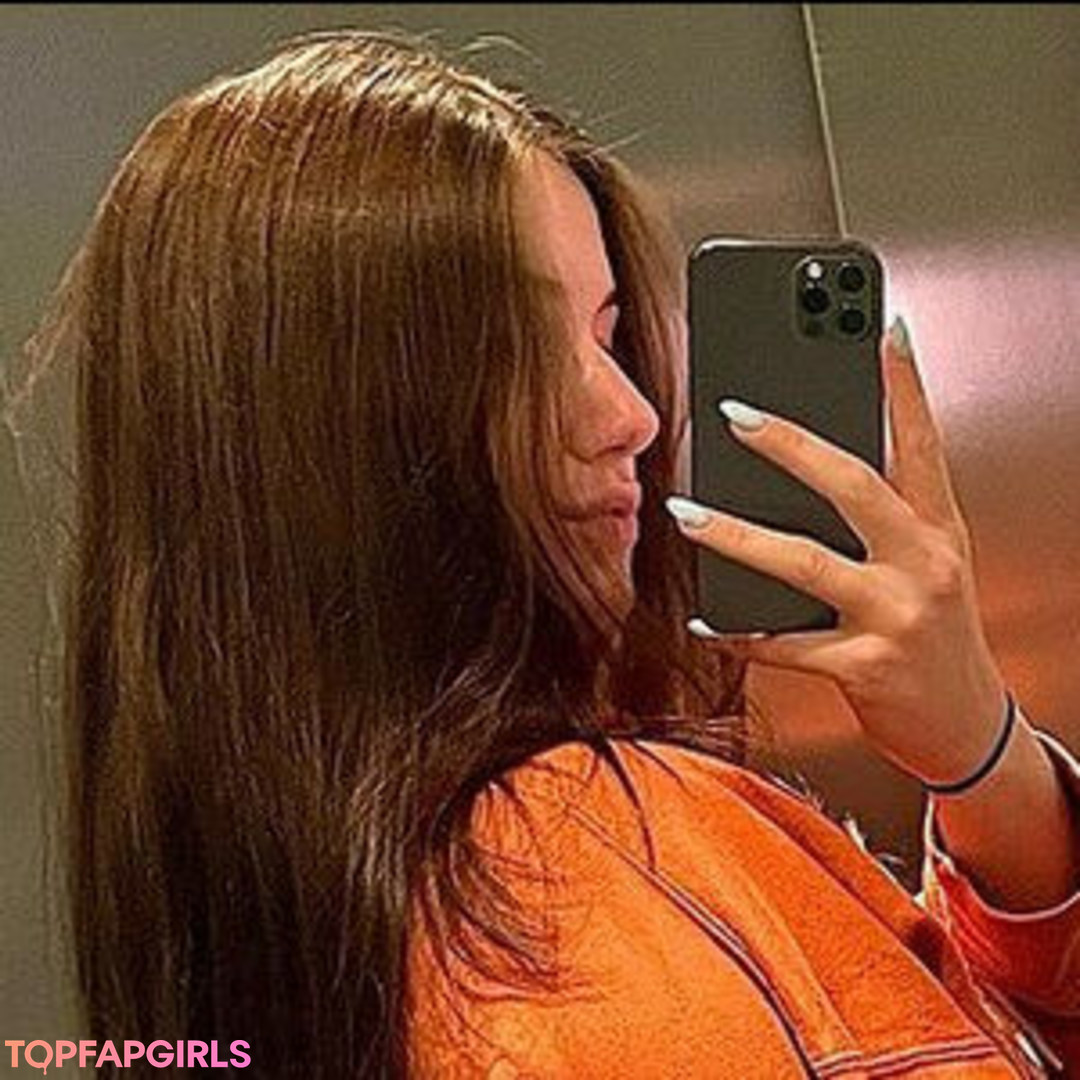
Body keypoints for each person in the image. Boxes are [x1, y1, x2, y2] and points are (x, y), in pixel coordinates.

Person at [3, 26, 1078, 1080]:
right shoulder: (594, 873)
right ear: (330, 433)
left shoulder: (264, 913)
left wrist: (982, 759)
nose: (631, 418)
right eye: (518, 345)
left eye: (606, 336)